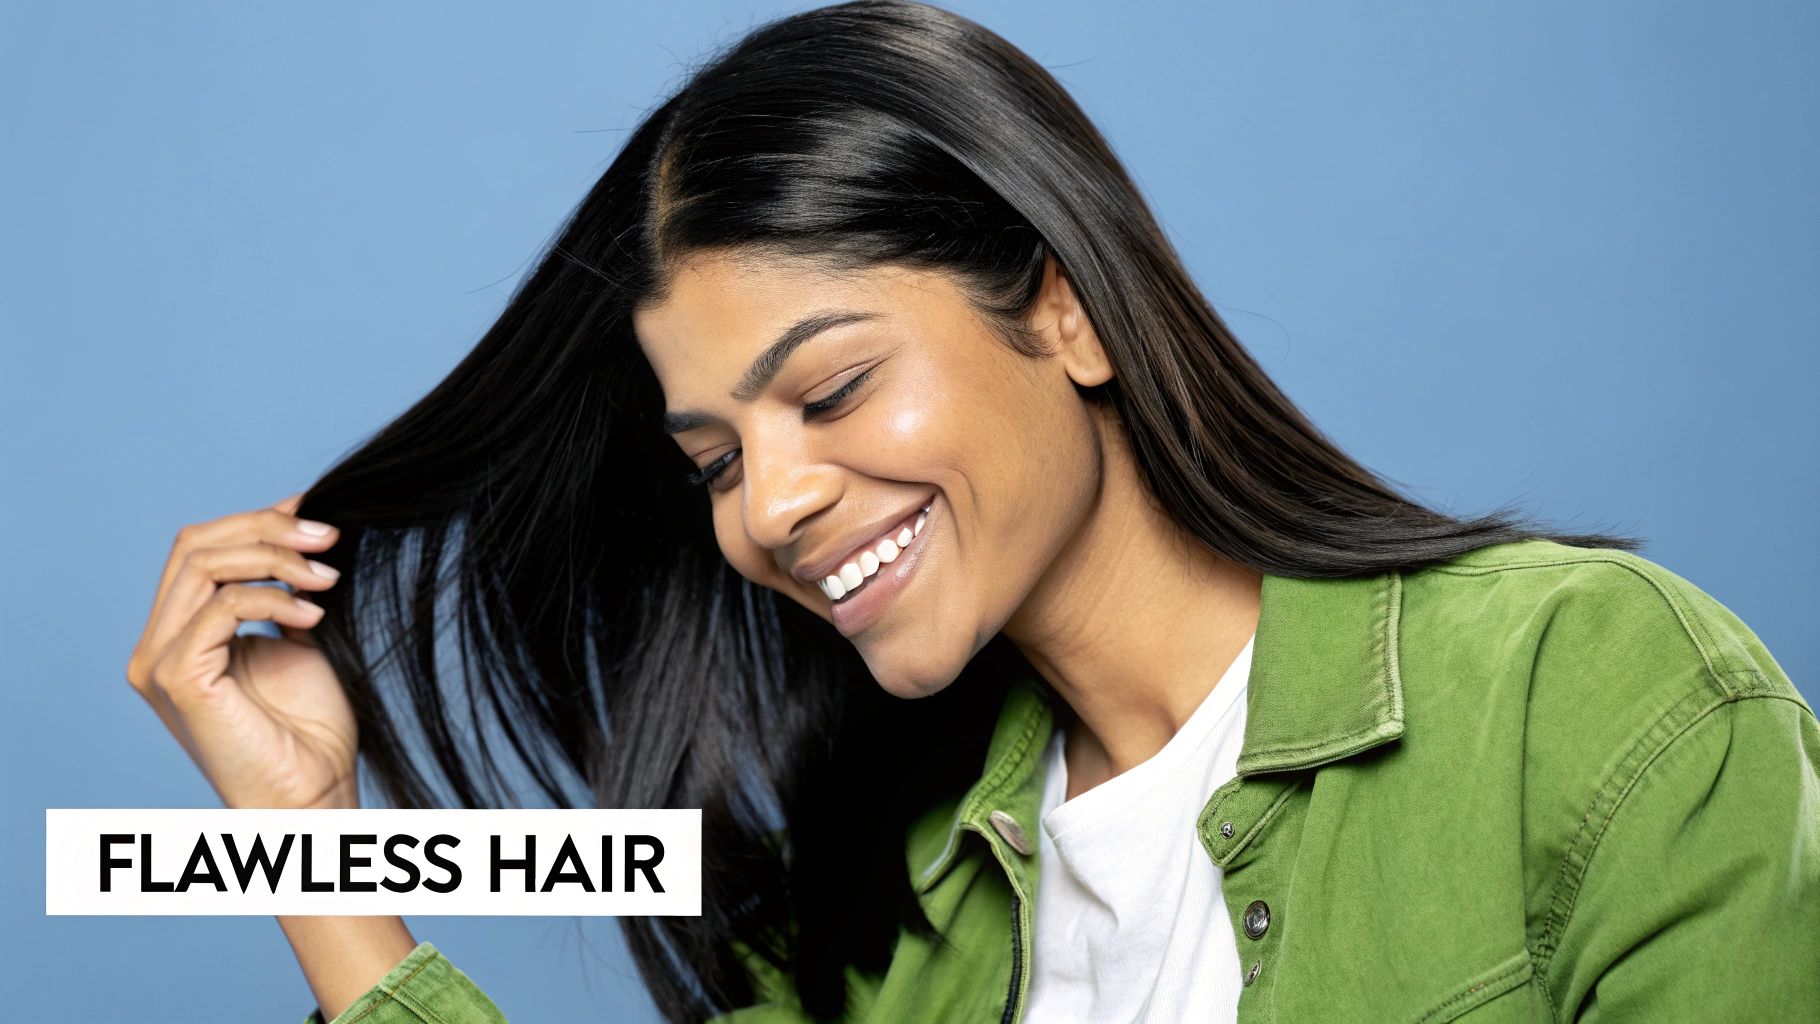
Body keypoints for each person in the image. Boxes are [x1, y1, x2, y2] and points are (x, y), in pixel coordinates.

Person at [124, 2, 1820, 1022]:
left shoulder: (1587, 696)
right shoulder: (881, 910)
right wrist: (316, 851)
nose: (772, 504)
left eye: (835, 389)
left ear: (1067, 307)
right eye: (714, 457)